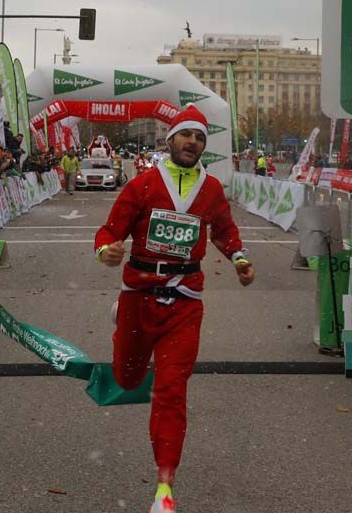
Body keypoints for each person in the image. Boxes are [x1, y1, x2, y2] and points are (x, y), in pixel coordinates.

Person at [94, 105, 254, 513]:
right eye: (186, 135)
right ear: (170, 140)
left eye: (199, 137)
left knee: (171, 390)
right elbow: (110, 231)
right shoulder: (144, 184)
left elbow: (225, 230)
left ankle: (165, 486)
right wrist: (106, 251)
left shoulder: (211, 189)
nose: (193, 142)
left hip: (185, 299)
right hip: (139, 294)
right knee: (128, 378)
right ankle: (120, 319)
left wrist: (239, 259)